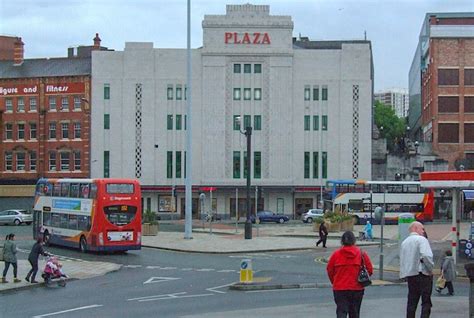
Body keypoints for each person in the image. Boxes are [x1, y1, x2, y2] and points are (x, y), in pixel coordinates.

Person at [327, 231, 373, 318]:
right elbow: (369, 270)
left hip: (340, 288)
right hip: (357, 288)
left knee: (341, 312)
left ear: (342, 241)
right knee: (355, 313)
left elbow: (329, 270)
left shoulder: (336, 255)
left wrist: (335, 281)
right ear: (354, 240)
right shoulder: (361, 254)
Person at [400, 221, 434, 318]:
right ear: (415, 228)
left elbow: (403, 260)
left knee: (412, 301)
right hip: (423, 274)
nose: (423, 231)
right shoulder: (421, 240)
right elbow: (426, 256)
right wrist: (430, 269)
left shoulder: (404, 242)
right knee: (426, 302)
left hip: (411, 275)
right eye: (422, 228)